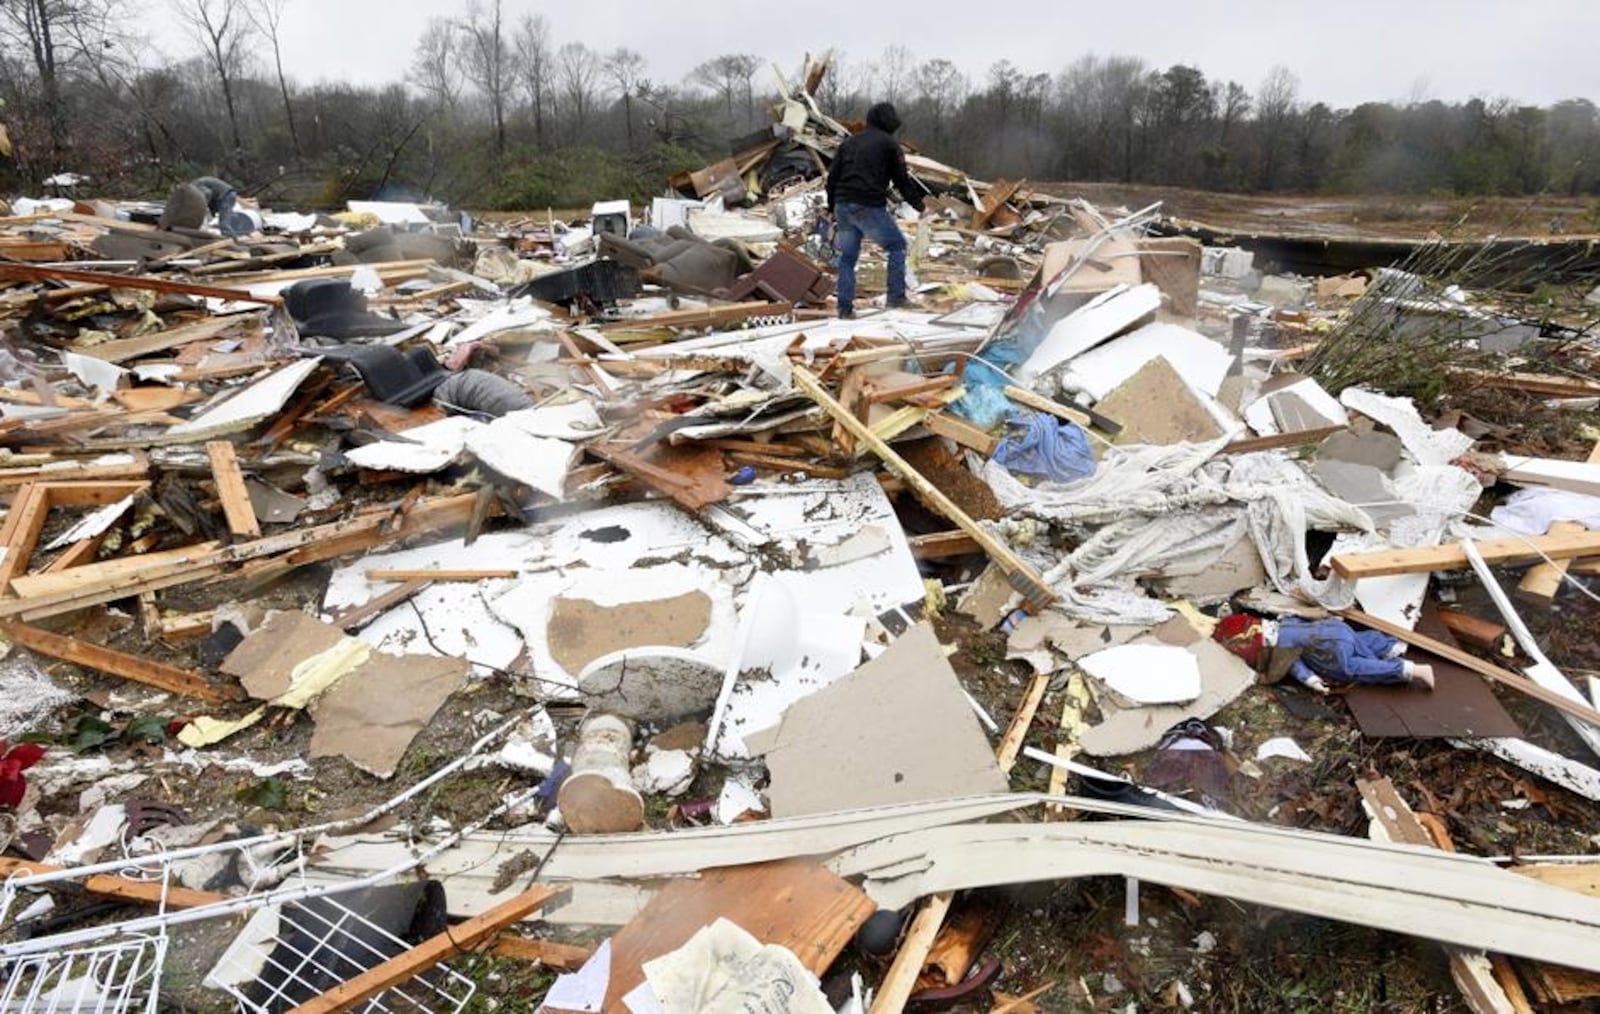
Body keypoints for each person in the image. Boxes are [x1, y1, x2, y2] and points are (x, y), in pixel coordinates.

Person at [825, 102, 927, 319]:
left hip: (843, 205)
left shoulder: (849, 142)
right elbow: (902, 180)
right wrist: (919, 205)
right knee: (897, 246)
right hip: (867, 205)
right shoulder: (889, 144)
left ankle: (844, 309)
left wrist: (832, 206)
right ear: (888, 121)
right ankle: (896, 298)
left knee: (848, 258)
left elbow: (832, 177)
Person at [1212, 612, 1434, 692]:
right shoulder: (1286, 621)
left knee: (1352, 668)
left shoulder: (1283, 648)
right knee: (1357, 641)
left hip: (1329, 648)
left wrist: (1311, 680)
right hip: (1336, 629)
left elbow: (1294, 666)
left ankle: (1410, 670)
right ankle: (1388, 647)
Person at [160, 175, 243, 236]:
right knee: (222, 222)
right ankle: (232, 239)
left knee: (224, 224)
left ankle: (233, 243)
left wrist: (203, 207)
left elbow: (207, 193)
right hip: (225, 195)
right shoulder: (196, 186)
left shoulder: (196, 187)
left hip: (226, 195)